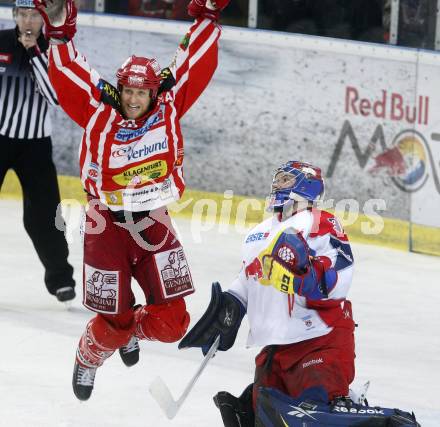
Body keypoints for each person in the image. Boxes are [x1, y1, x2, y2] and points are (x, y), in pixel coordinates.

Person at [32, 0, 231, 401]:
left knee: (174, 322)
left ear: (152, 91)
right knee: (113, 320)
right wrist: (57, 32)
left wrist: (209, 14)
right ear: (119, 89)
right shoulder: (99, 108)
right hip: (105, 225)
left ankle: (127, 333)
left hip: (154, 221)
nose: (134, 100)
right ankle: (90, 354)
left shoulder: (169, 104)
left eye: (141, 92)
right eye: (128, 91)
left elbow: (194, 62)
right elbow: (72, 76)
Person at [179, 160, 421, 426]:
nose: (276, 184)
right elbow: (247, 279)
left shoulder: (320, 221)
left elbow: (339, 277)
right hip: (275, 350)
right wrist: (229, 310)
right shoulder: (257, 233)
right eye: (277, 179)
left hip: (319, 341)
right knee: (263, 420)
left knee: (312, 418)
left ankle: (388, 422)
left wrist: (303, 276)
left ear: (306, 185)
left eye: (284, 179)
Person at [0, 0, 75, 303]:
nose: (29, 22)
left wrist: (33, 52)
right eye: (24, 15)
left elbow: (54, 95)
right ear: (15, 15)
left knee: (44, 216)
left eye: (35, 15)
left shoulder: (54, 49)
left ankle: (61, 280)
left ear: (44, 19)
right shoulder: (1, 42)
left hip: (35, 146)